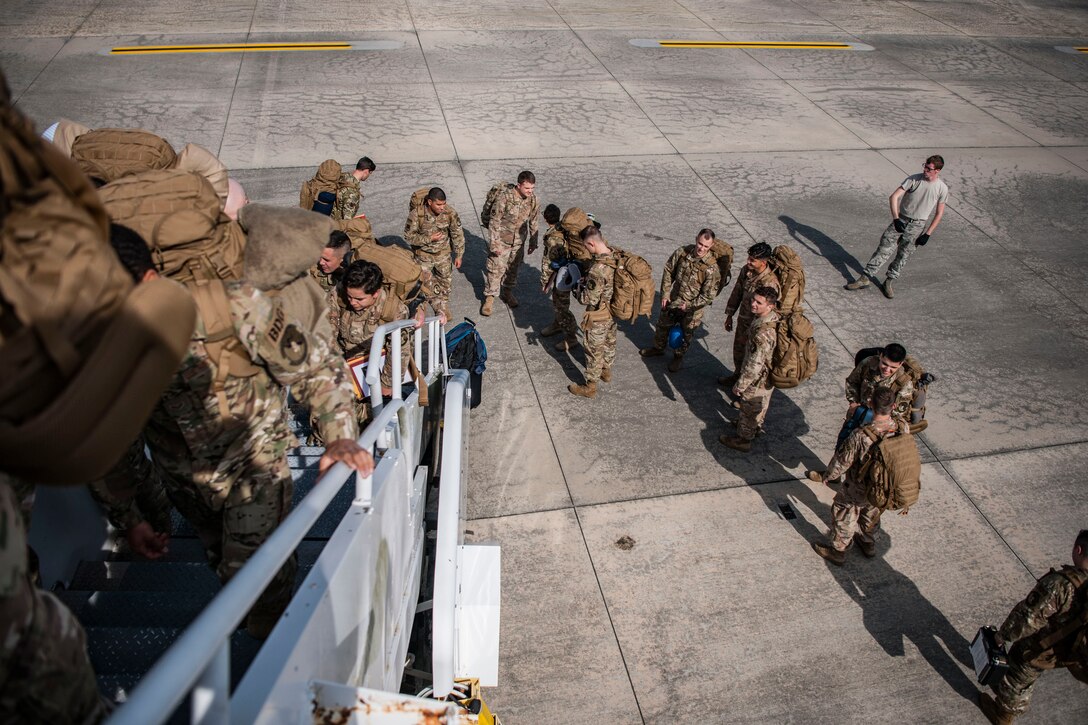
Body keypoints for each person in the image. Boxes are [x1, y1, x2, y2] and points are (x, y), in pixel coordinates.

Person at [108, 225, 372, 639]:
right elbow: (108, 436)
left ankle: (274, 642)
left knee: (255, 570)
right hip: (187, 484)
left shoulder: (229, 305)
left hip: (255, 466)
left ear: (146, 280)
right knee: (223, 562)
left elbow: (315, 364)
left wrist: (339, 432)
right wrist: (130, 515)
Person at [977, 530, 1088, 724]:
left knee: (1019, 677)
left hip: (1040, 647)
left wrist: (1003, 636)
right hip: (1069, 650)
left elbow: (1028, 618)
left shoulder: (1061, 584)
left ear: (1078, 549)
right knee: (1028, 671)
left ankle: (1003, 714)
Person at [806, 388, 907, 564]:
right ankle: (868, 543)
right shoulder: (902, 427)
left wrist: (829, 475)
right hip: (882, 486)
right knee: (872, 513)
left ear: (871, 404)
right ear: (894, 406)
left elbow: (843, 461)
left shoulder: (862, 434)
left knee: (844, 515)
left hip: (858, 486)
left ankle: (838, 551)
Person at [326, 260, 426, 425]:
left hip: (379, 366)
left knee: (379, 411)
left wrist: (388, 383)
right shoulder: (338, 294)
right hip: (347, 361)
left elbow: (400, 350)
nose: (352, 302)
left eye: (359, 299)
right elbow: (328, 332)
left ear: (376, 293)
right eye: (350, 296)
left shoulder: (393, 309)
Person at [846, 155, 949, 299]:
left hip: (918, 226)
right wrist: (896, 219)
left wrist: (928, 234)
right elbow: (894, 197)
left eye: (929, 168)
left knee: (903, 255)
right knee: (883, 249)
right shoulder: (914, 179)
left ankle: (888, 282)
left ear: (937, 170)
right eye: (925, 166)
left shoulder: (942, 188)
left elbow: (939, 213)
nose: (925, 170)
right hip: (901, 219)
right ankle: (865, 278)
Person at [640, 229, 721, 373]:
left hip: (692, 307)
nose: (701, 248)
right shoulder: (683, 253)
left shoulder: (711, 268)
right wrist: (665, 294)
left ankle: (678, 357)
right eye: (700, 243)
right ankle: (658, 348)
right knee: (662, 325)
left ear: (711, 245)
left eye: (706, 246)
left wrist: (689, 305)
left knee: (686, 333)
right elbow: (668, 270)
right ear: (696, 239)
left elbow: (708, 296)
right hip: (674, 299)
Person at [720, 287, 779, 452]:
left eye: (759, 302)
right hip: (768, 375)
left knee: (749, 407)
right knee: (762, 404)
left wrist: (741, 384)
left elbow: (755, 364)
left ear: (770, 306)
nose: (753, 304)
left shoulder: (763, 333)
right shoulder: (772, 318)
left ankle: (743, 440)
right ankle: (755, 428)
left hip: (758, 378)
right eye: (753, 300)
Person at [720, 242, 779, 386]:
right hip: (743, 320)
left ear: (763, 262)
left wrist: (758, 330)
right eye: (749, 258)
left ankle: (746, 390)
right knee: (739, 351)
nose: (748, 262)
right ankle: (737, 376)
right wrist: (730, 314)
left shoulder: (770, 283)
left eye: (753, 260)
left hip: (758, 327)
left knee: (752, 358)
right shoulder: (746, 271)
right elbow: (737, 292)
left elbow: (771, 310)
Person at [482, 171, 539, 316]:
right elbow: (495, 221)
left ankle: (507, 292)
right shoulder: (504, 198)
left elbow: (534, 221)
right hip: (501, 240)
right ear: (519, 185)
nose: (530, 191)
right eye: (527, 188)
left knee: (513, 269)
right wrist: (494, 244)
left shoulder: (533, 200)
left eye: (532, 188)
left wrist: (533, 241)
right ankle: (489, 298)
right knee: (495, 269)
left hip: (519, 242)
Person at [569, 226, 616, 399]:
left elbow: (587, 299)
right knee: (609, 341)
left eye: (586, 246)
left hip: (599, 314)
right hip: (613, 310)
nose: (587, 250)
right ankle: (606, 371)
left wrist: (577, 288)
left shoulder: (598, 269)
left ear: (591, 243)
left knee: (593, 349)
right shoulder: (615, 255)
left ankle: (590, 386)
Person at [404, 186, 464, 320]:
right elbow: (408, 236)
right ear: (429, 202)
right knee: (423, 285)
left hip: (443, 255)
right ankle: (421, 309)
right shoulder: (417, 214)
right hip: (423, 256)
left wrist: (459, 254)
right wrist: (429, 239)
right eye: (438, 204)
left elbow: (457, 234)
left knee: (445, 283)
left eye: (444, 204)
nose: (442, 207)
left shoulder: (449, 213)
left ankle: (442, 308)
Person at [539, 204, 579, 351]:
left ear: (545, 218)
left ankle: (571, 338)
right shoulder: (561, 229)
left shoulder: (553, 238)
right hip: (565, 273)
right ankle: (557, 324)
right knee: (558, 305)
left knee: (562, 308)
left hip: (562, 277)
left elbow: (548, 262)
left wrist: (544, 282)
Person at [845, 343, 914, 423]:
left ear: (901, 364)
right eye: (884, 364)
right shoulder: (868, 363)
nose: (887, 370)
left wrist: (878, 422)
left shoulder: (904, 382)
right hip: (857, 412)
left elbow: (898, 412)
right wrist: (853, 402)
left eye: (893, 367)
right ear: (881, 356)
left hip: (880, 423)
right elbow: (852, 381)